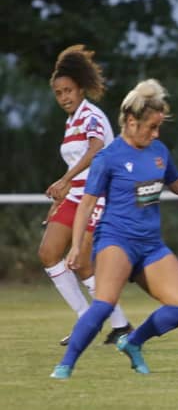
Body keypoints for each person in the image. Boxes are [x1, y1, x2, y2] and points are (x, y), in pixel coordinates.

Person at [50, 79, 178, 379]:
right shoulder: (108, 157)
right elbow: (87, 204)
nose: (155, 134)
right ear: (130, 121)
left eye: (159, 128)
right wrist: (76, 246)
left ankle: (133, 342)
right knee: (103, 305)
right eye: (151, 127)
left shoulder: (158, 150)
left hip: (151, 245)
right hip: (116, 240)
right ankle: (65, 366)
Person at [38, 44, 133, 346]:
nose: (64, 97)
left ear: (81, 89)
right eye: (59, 93)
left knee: (81, 262)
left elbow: (95, 149)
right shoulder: (70, 122)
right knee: (48, 253)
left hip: (100, 196)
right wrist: (59, 198)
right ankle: (84, 317)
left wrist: (64, 179)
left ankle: (121, 326)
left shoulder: (91, 115)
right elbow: (75, 164)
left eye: (68, 90)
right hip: (76, 197)